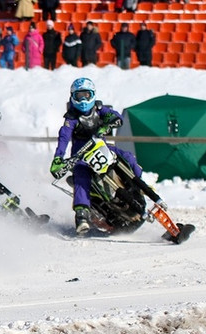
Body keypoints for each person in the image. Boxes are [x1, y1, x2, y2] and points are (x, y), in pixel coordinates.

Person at [49, 78, 144, 233]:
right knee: (81, 177)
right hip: (81, 156)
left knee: (127, 156)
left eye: (86, 95)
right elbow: (63, 138)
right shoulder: (71, 119)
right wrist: (58, 158)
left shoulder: (99, 109)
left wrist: (109, 122)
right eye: (80, 96)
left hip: (102, 147)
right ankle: (82, 215)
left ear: (93, 95)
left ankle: (140, 185)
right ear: (73, 96)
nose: (83, 100)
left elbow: (116, 116)